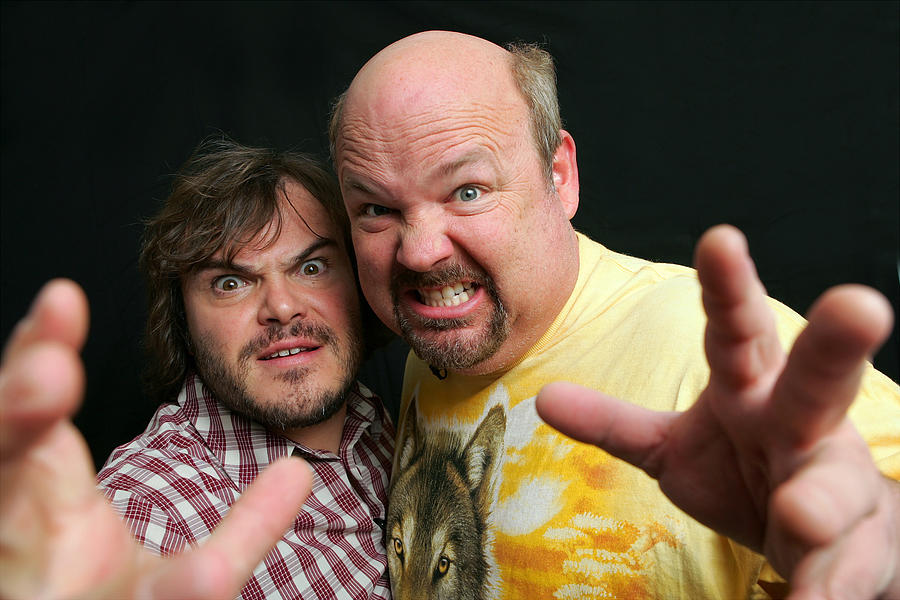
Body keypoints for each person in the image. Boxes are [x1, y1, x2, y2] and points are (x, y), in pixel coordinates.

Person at [328, 31, 900, 598]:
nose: (419, 250)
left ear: (559, 175)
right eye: (377, 208)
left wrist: (881, 562)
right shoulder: (432, 353)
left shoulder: (709, 354)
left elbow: (871, 525)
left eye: (468, 191)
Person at [0, 139, 393, 600]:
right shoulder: (148, 511)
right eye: (230, 283)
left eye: (311, 266)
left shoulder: (387, 416)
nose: (283, 308)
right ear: (182, 321)